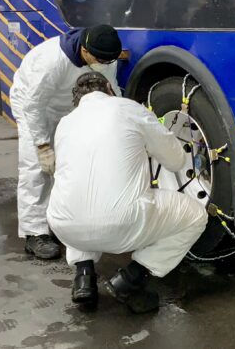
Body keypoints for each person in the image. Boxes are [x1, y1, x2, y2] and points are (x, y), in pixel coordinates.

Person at [47, 72, 208, 313]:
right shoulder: (129, 109)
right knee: (195, 216)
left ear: (77, 99)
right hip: (121, 223)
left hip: (64, 228)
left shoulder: (66, 123)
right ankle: (131, 279)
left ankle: (84, 278)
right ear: (109, 88)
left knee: (82, 196)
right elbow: (175, 160)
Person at [10, 24, 122, 260]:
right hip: (33, 106)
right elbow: (33, 105)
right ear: (85, 50)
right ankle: (34, 232)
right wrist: (42, 146)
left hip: (67, 106)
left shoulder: (103, 57)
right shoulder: (51, 61)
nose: (103, 64)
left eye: (107, 61)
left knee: (74, 162)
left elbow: (112, 91)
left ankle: (64, 219)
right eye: (99, 60)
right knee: (36, 168)